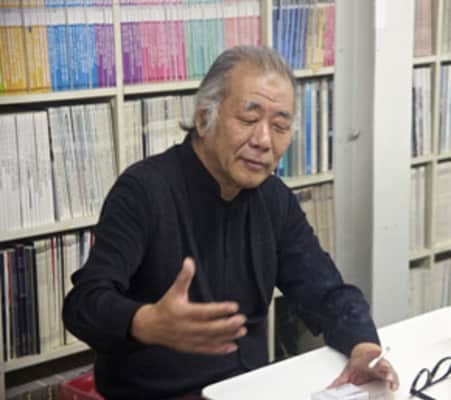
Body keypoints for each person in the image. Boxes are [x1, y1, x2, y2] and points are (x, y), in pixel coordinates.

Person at [63, 45, 399, 399]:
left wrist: (363, 347)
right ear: (203, 119)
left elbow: (325, 291)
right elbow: (83, 303)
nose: (263, 141)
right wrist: (144, 322)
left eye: (280, 126)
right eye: (248, 120)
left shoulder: (274, 199)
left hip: (248, 389)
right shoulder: (144, 190)